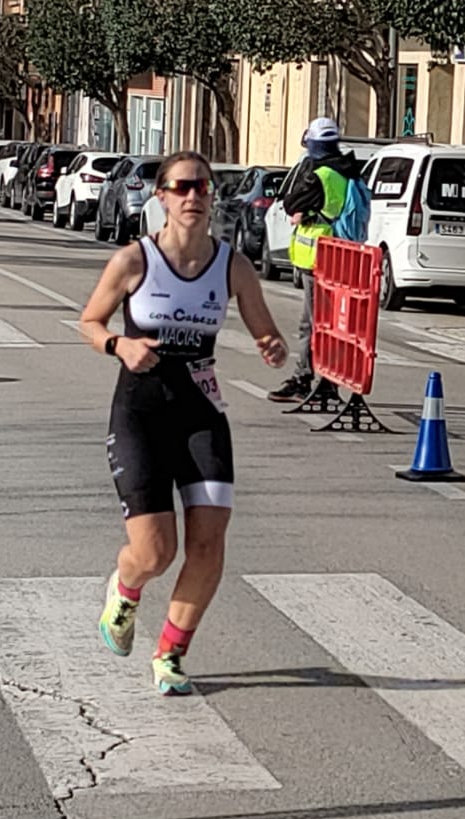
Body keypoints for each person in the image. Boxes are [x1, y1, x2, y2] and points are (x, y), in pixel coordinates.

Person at [77, 151, 289, 695]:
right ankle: (124, 594)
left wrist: (273, 346)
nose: (193, 196)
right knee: (154, 552)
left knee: (209, 545)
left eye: (202, 187)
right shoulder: (134, 262)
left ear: (212, 196)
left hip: (200, 410)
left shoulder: (233, 265)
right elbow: (89, 321)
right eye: (181, 187)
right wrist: (118, 344)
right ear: (162, 197)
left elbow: (265, 329)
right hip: (141, 411)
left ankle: (170, 653)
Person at [266, 118, 362, 404]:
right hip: (341, 254)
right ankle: (328, 379)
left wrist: (303, 213)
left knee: (313, 322)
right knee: (331, 322)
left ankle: (305, 378)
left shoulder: (322, 174)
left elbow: (291, 203)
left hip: (320, 257)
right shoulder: (348, 171)